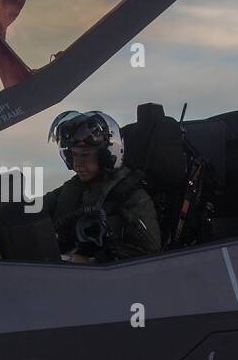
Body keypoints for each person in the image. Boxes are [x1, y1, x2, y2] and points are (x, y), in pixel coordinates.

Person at [40, 110, 161, 263]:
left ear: (106, 154)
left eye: (84, 154)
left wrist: (91, 261)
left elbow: (150, 255)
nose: (77, 163)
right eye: (73, 154)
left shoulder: (132, 197)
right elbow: (38, 208)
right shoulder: (74, 188)